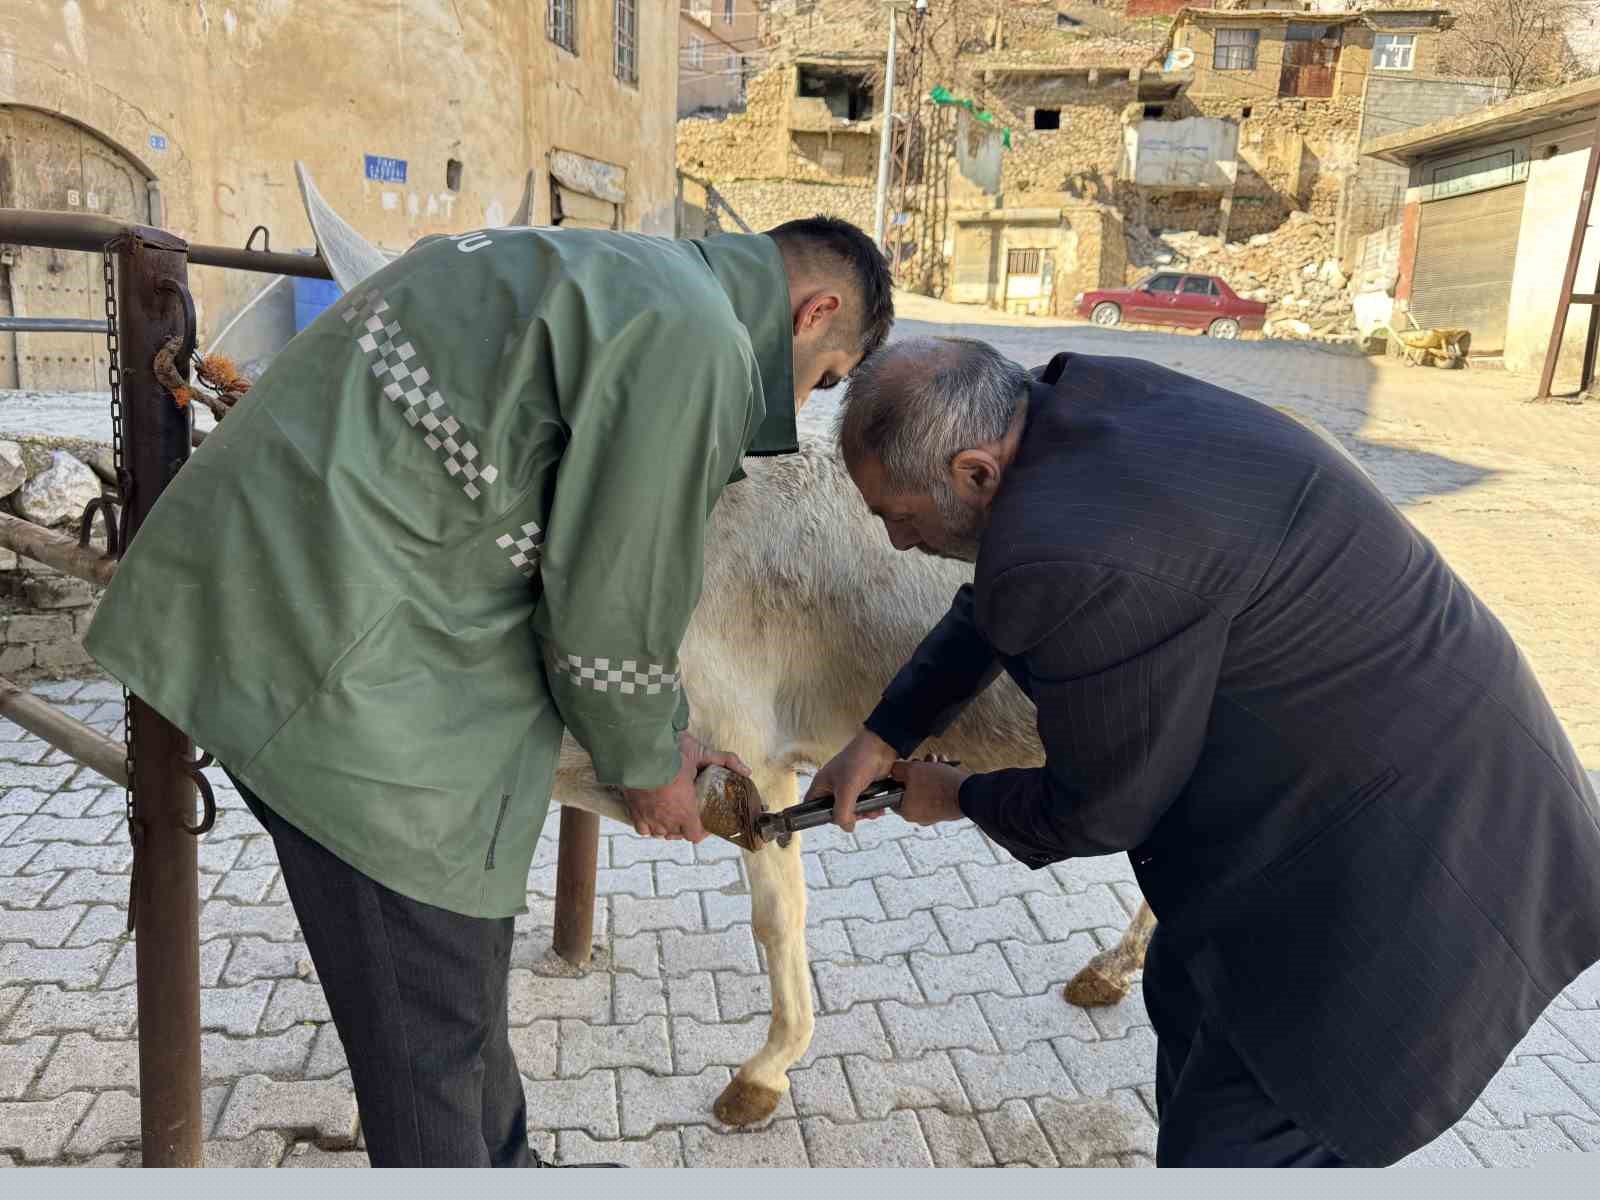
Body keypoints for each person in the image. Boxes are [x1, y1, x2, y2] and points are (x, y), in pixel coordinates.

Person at [85, 217, 893, 1166]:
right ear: (815, 313)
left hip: (296, 610)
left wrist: (667, 733)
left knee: (457, 984)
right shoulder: (699, 337)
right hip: (339, 673)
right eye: (823, 380)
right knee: (431, 1032)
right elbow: (608, 606)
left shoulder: (603, 269)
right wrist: (650, 768)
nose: (796, 409)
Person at [809, 336, 1600, 1167]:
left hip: (1419, 872)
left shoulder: (1069, 546)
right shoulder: (1071, 407)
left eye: (900, 516)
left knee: (1231, 1145)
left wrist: (955, 795)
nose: (898, 543)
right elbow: (998, 601)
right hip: (1359, 783)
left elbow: (1098, 811)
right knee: (1183, 992)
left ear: (975, 473)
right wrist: (882, 734)